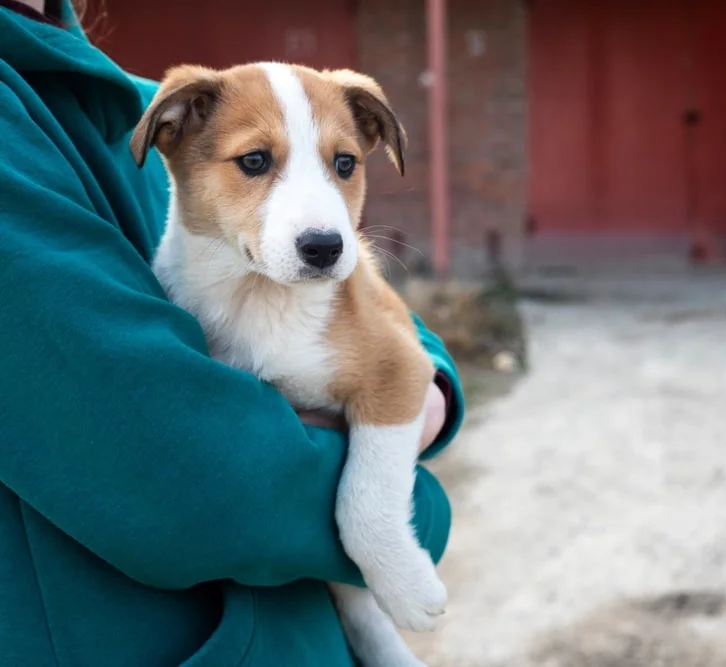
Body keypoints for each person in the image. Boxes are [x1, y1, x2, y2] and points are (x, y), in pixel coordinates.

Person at [0, 1, 465, 665]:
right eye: (255, 163)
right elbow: (193, 482)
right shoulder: (174, 121)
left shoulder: (127, 97)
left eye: (342, 164)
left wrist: (434, 391)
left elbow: (406, 348)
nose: (320, 216)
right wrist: (415, 504)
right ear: (168, 137)